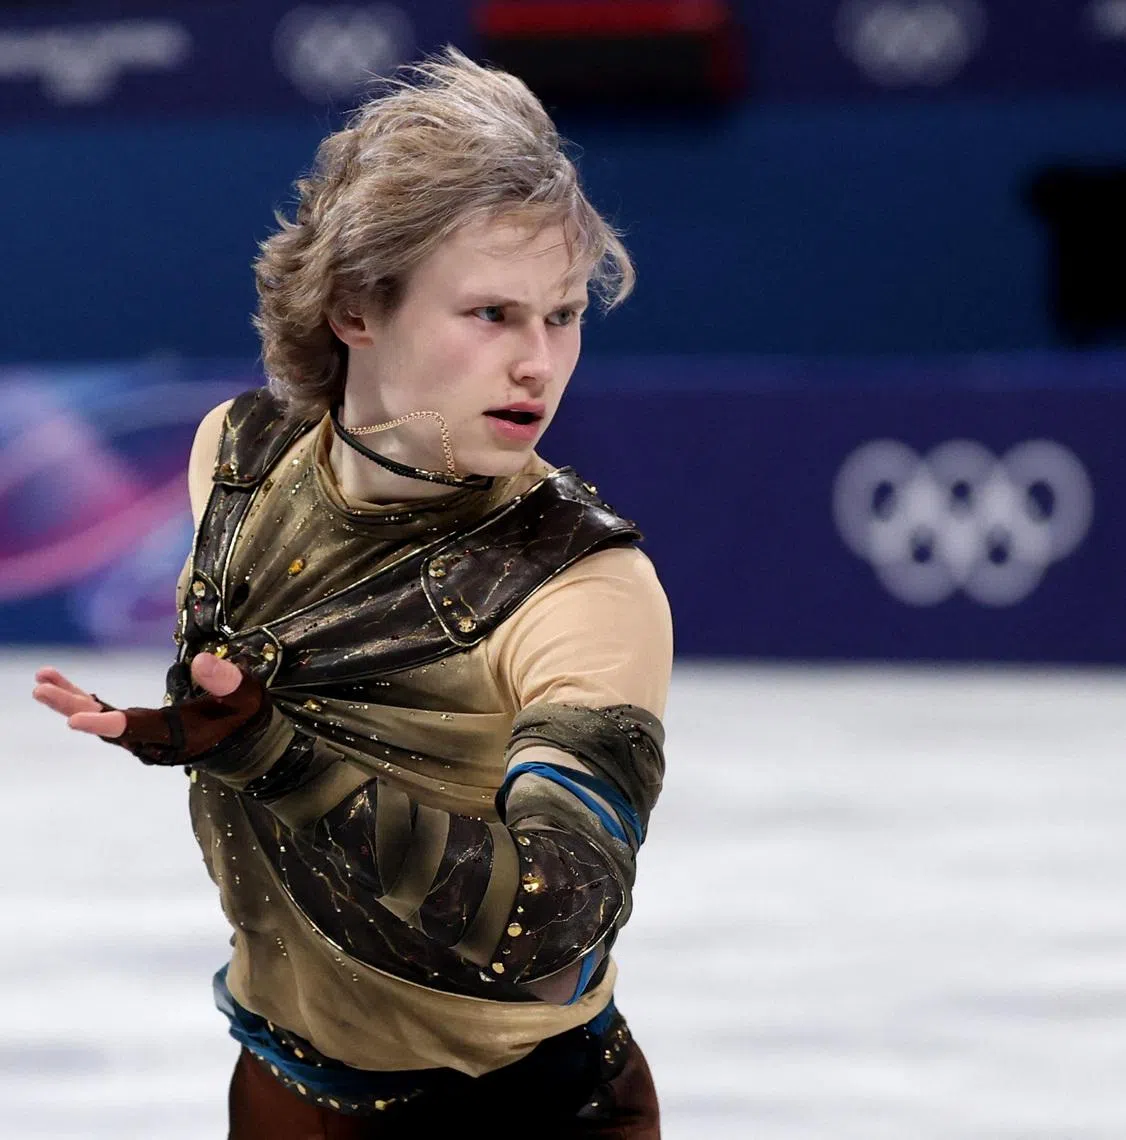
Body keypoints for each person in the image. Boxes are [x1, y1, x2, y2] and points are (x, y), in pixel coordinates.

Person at [32, 48, 672, 1137]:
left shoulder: (583, 585)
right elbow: (278, 691)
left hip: (514, 1112)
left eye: (560, 315)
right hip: (279, 1084)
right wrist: (194, 727)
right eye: (491, 314)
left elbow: (555, 916)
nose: (539, 364)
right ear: (356, 309)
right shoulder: (236, 460)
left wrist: (276, 758)